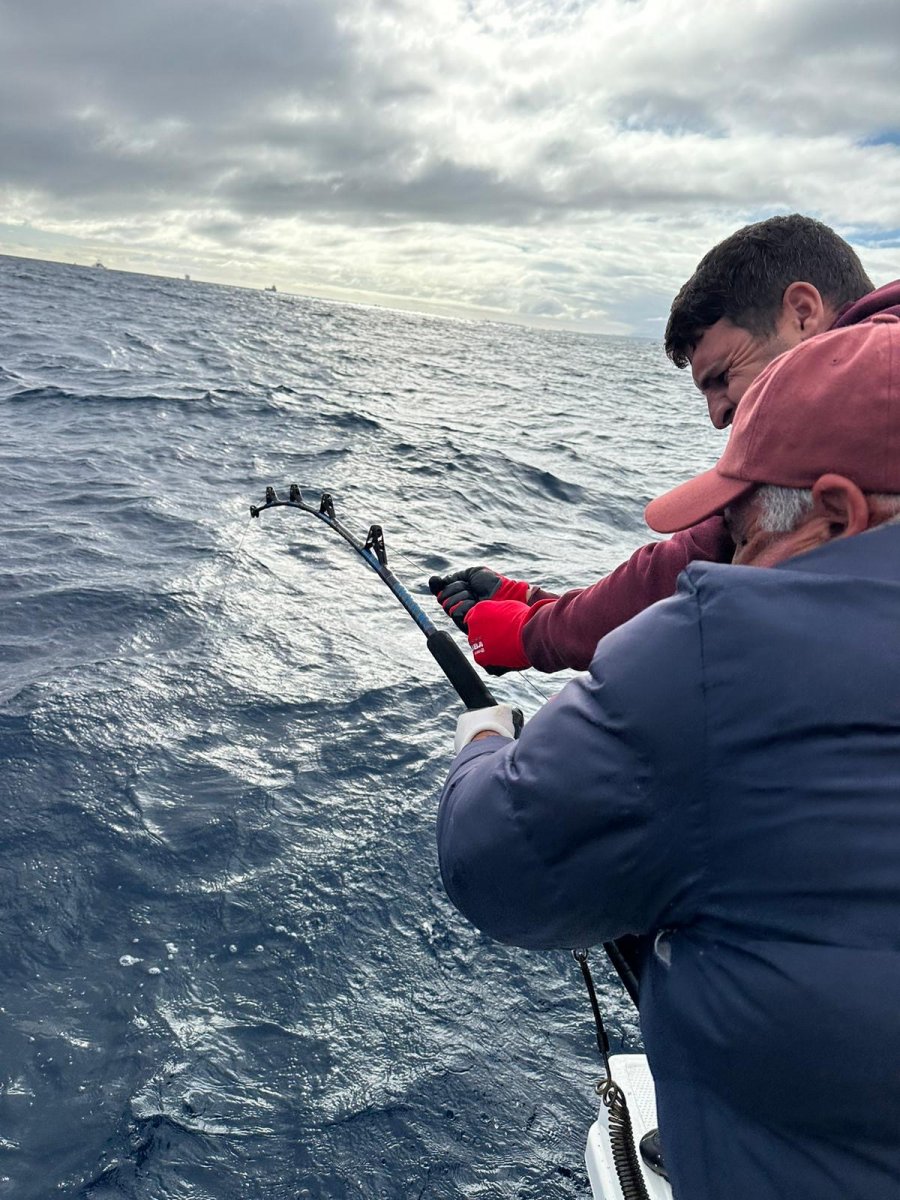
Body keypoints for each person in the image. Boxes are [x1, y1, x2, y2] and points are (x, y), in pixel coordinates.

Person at [436, 314, 900, 1200]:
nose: (730, 568)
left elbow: (492, 863)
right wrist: (535, 611)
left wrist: (484, 737)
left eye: (748, 534)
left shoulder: (727, 646)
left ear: (839, 513)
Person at [430, 213, 900, 675]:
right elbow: (710, 560)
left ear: (802, 313)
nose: (718, 415)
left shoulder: (867, 397)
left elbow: (692, 565)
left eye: (722, 377)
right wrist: (539, 607)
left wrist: (532, 634)